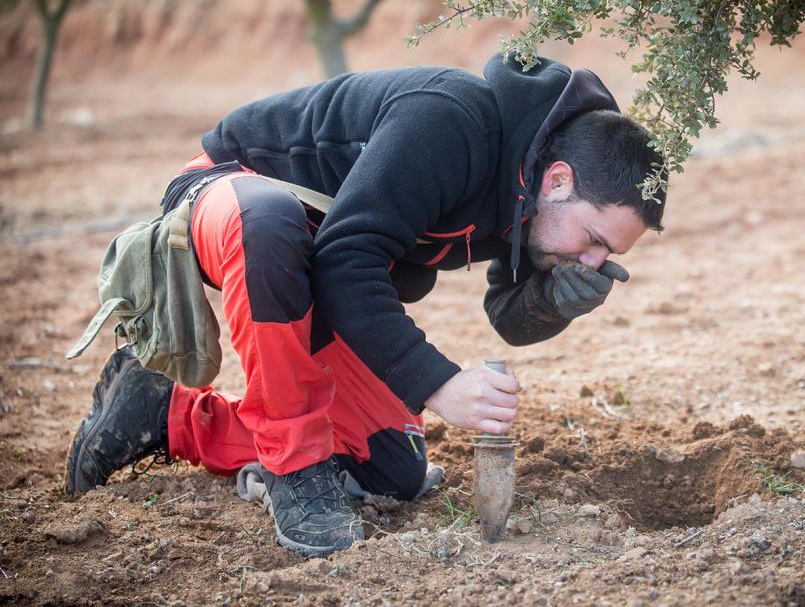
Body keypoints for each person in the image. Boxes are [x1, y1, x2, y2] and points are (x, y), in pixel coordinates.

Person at [64, 52, 666, 557]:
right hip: (232, 203)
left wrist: (553, 300)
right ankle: (294, 470)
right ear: (558, 180)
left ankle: (164, 411)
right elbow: (345, 261)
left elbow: (504, 314)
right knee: (270, 225)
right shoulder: (450, 121)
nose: (592, 261)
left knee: (389, 468)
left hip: (313, 275)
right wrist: (438, 385)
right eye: (593, 243)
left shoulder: (528, 192)